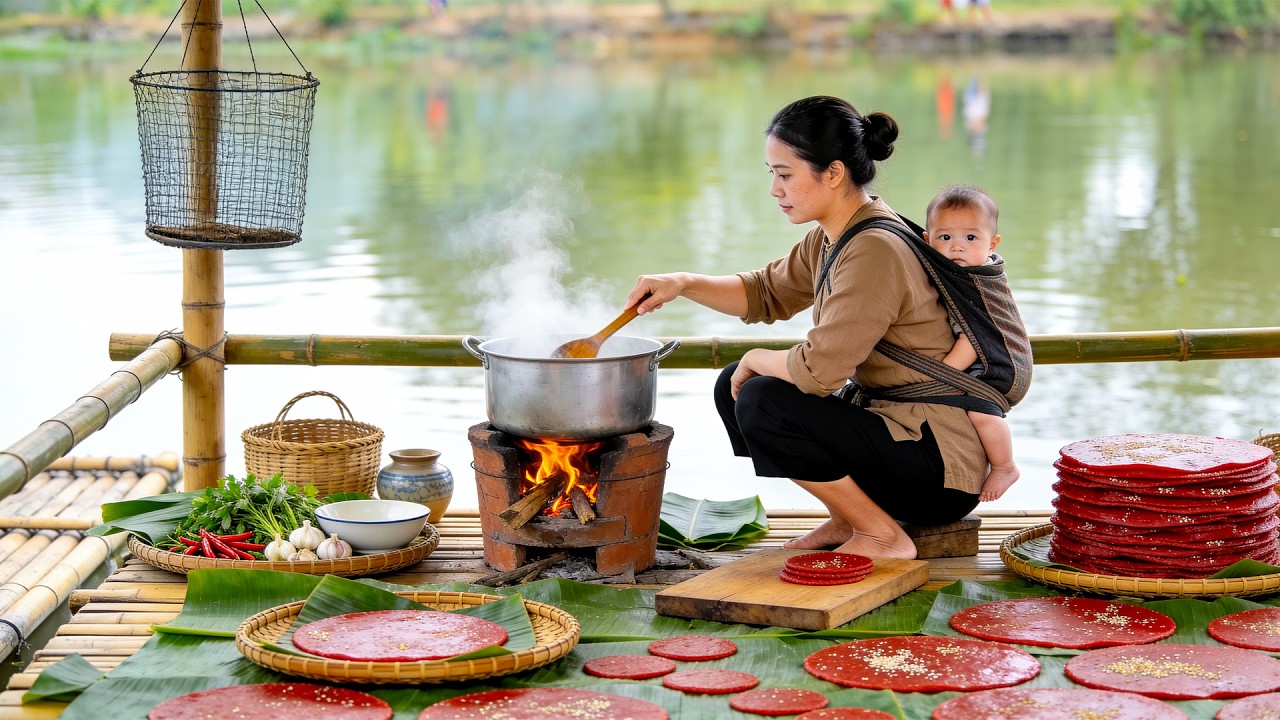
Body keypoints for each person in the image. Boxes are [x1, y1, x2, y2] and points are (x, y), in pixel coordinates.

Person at [626, 96, 987, 560]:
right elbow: (764, 292)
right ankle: (848, 517)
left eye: (785, 174)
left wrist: (757, 359)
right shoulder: (835, 235)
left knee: (760, 396)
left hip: (937, 470)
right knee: (735, 386)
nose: (775, 189)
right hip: (898, 439)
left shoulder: (874, 248)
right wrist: (682, 283)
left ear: (833, 173)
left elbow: (820, 372)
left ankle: (882, 534)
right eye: (772, 174)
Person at [922, 185, 1019, 502]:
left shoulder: (976, 282)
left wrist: (941, 373)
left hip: (995, 364)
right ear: (927, 240)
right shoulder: (950, 274)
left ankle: (1005, 466)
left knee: (981, 414)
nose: (956, 248)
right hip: (974, 361)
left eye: (970, 238)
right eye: (945, 237)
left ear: (992, 244)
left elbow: (972, 337)